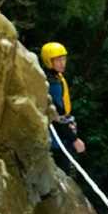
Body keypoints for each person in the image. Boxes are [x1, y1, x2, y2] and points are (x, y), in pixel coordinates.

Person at [41, 41, 85, 172]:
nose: (62, 63)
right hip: (57, 140)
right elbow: (57, 116)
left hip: (61, 133)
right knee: (65, 170)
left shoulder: (55, 77)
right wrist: (74, 139)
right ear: (49, 62)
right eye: (58, 60)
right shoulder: (52, 84)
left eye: (64, 59)